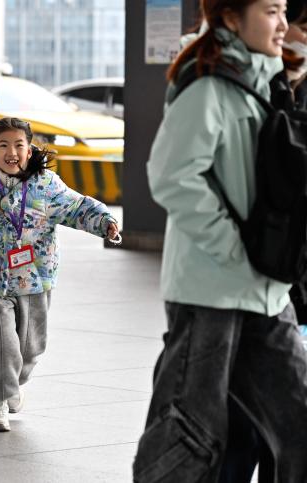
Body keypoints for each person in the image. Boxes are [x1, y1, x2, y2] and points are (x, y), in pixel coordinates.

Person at [133, 0, 307, 481]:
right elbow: (171, 176)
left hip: (265, 293)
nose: (283, 24)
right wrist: (233, 248)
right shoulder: (208, 87)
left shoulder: (262, 83)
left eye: (285, 10)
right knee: (191, 437)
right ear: (232, 17)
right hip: (210, 293)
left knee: (299, 425)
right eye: (271, 11)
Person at [0, 117, 119, 432]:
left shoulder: (46, 184)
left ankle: (15, 384)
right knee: (2, 344)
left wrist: (103, 222)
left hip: (37, 277)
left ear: (29, 150)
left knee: (30, 347)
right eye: (3, 145)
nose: (11, 152)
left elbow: (75, 207)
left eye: (18, 145)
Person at [219, 1, 307, 481]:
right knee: (246, 427)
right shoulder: (248, 88)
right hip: (264, 278)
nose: (290, 31)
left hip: (287, 277)